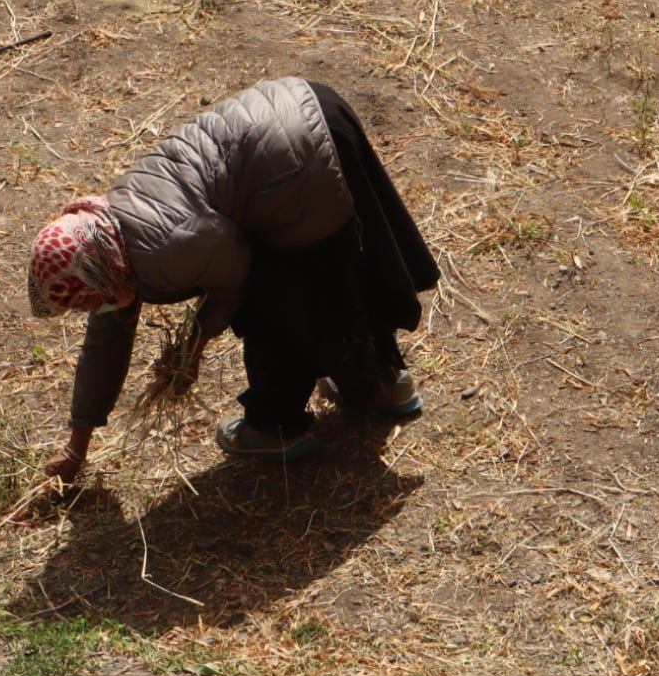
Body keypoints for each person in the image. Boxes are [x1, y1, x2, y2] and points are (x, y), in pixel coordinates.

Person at [27, 78, 439, 482]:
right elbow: (106, 341)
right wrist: (76, 449)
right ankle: (386, 380)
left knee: (277, 298)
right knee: (351, 259)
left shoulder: (157, 253)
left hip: (293, 163)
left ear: (95, 274)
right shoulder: (108, 232)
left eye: (82, 301)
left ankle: (273, 427)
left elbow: (234, 270)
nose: (87, 309)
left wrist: (194, 347)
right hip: (316, 107)